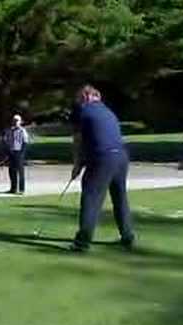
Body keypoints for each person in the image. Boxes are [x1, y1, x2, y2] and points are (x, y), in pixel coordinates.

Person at [69, 85, 136, 252]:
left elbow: (78, 141)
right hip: (121, 157)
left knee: (91, 198)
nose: (78, 102)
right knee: (120, 197)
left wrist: (77, 165)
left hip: (103, 157)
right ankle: (127, 237)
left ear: (86, 96)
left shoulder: (83, 111)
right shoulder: (108, 111)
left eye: (79, 98)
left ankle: (82, 241)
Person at [3, 114, 29, 194]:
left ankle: (21, 189)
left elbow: (25, 142)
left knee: (20, 171)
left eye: (17, 120)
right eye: (14, 120)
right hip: (11, 152)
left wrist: (22, 153)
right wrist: (7, 150)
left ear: (20, 122)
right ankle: (13, 188)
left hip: (19, 152)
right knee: (11, 171)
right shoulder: (9, 130)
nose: (15, 122)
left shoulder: (22, 130)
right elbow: (6, 140)